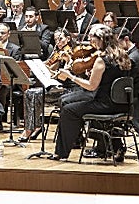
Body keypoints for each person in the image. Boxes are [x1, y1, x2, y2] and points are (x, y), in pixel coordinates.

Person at [52, 23, 132, 162]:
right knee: (72, 103)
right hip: (123, 104)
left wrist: (71, 76)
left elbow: (91, 86)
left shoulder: (101, 60)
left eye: (93, 39)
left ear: (101, 40)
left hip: (105, 105)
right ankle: (112, 145)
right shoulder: (122, 55)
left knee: (69, 110)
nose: (91, 42)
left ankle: (61, 153)